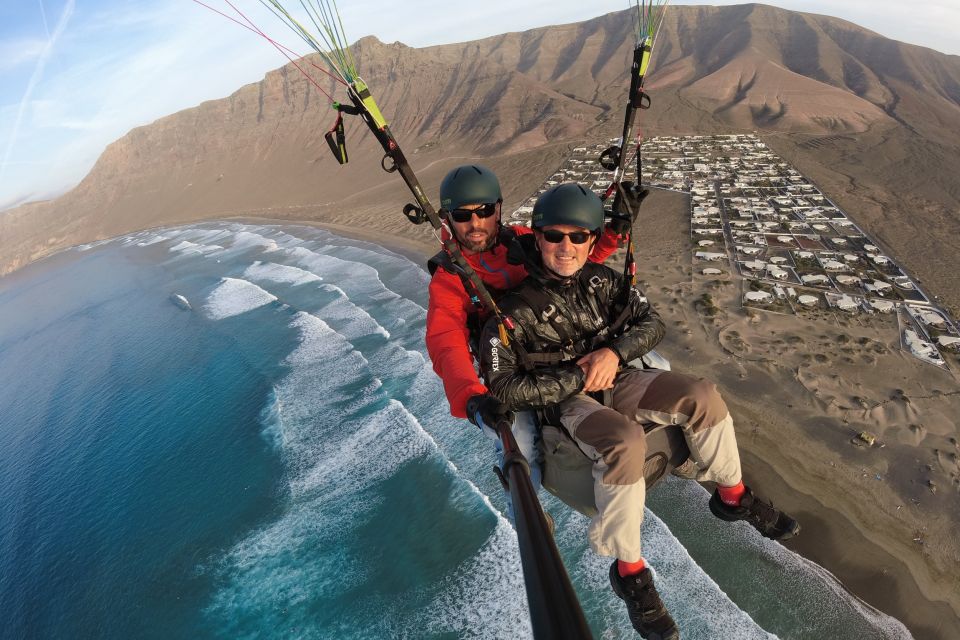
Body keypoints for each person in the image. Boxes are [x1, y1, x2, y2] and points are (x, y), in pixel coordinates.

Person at [475, 182, 800, 639]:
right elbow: (504, 387)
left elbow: (651, 323)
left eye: (578, 237)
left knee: (701, 395)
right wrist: (577, 378)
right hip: (565, 401)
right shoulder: (511, 313)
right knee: (624, 443)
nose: (566, 247)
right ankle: (630, 572)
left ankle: (732, 495)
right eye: (554, 236)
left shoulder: (603, 282)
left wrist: (613, 355)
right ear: (537, 237)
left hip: (618, 377)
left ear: (592, 240)